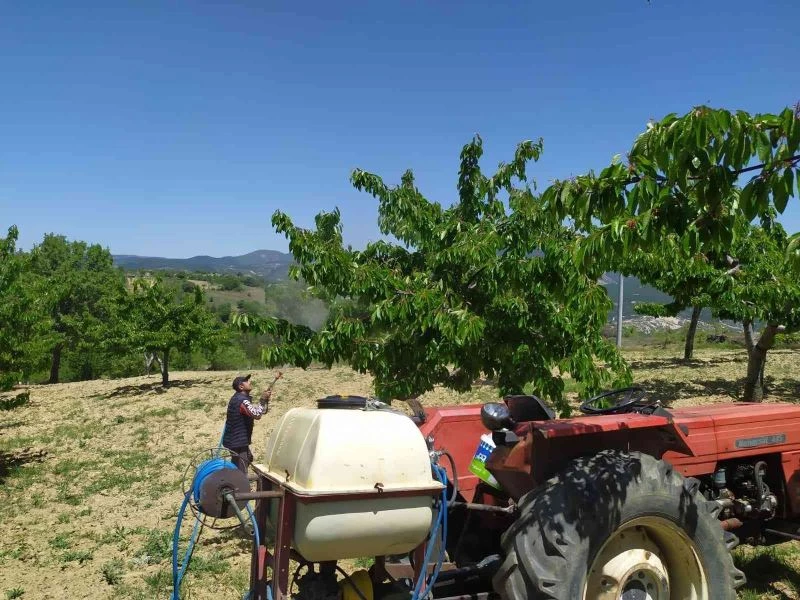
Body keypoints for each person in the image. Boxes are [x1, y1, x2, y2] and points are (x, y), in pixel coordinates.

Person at [222, 374, 272, 472]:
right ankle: (240, 485)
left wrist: (265, 400)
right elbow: (257, 414)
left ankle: (236, 482)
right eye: (247, 381)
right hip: (238, 441)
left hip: (235, 440)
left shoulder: (238, 398)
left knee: (246, 460)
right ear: (241, 387)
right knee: (242, 468)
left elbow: (259, 411)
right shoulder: (242, 400)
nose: (250, 382)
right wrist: (262, 400)